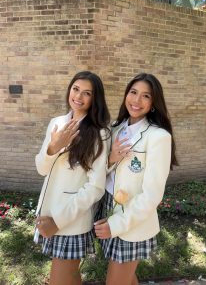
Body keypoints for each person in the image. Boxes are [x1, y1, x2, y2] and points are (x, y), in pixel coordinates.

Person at [94, 73, 178, 285]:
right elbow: (101, 171)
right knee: (127, 278)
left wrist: (117, 224)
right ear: (126, 95)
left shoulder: (159, 137)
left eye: (145, 96)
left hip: (132, 220)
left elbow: (152, 195)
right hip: (107, 207)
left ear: (153, 103)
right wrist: (111, 159)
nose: (136, 100)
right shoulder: (115, 128)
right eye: (133, 92)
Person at [34, 71, 110, 285]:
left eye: (87, 93)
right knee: (70, 278)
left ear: (95, 99)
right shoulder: (56, 123)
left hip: (70, 220)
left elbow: (95, 187)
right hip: (49, 212)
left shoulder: (99, 133)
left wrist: (58, 221)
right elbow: (41, 169)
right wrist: (53, 147)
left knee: (58, 281)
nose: (79, 96)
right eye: (76, 89)